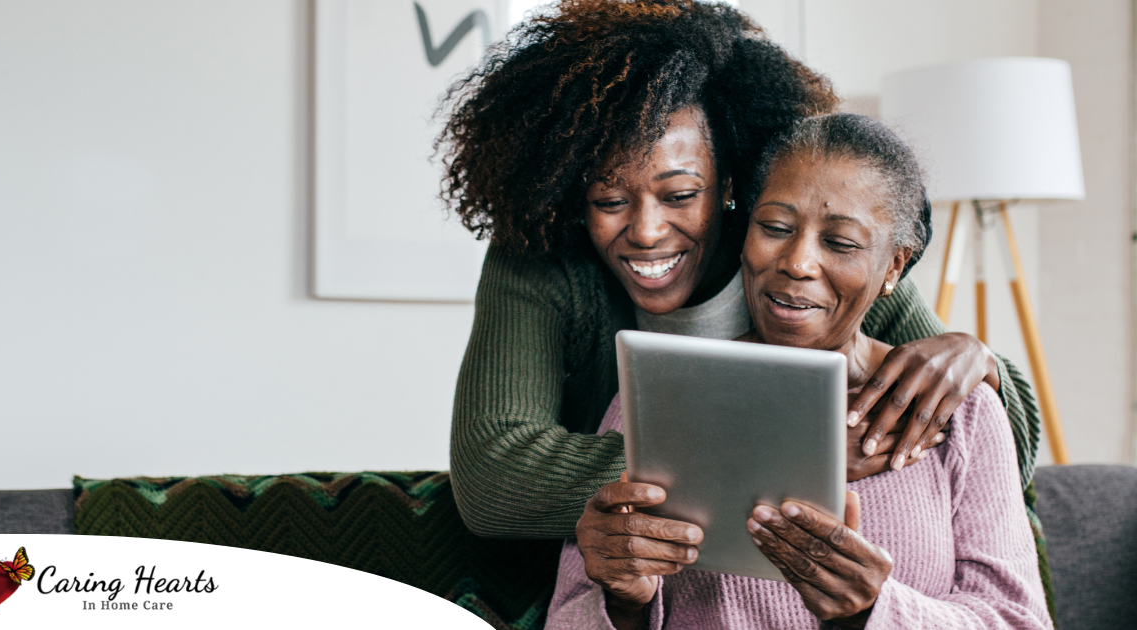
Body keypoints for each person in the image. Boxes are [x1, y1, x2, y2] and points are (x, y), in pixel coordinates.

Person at [439, 0, 1040, 544]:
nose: (646, 231)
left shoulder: (807, 258)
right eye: (609, 201)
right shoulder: (542, 256)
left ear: (730, 185)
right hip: (621, 573)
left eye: (680, 196)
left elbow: (1004, 451)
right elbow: (494, 480)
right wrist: (787, 455)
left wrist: (978, 362)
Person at [547, 113, 1053, 630]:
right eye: (775, 228)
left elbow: (1019, 622)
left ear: (894, 267)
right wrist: (621, 604)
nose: (797, 262)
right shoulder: (655, 393)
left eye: (840, 243)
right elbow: (567, 621)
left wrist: (875, 612)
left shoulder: (963, 412)